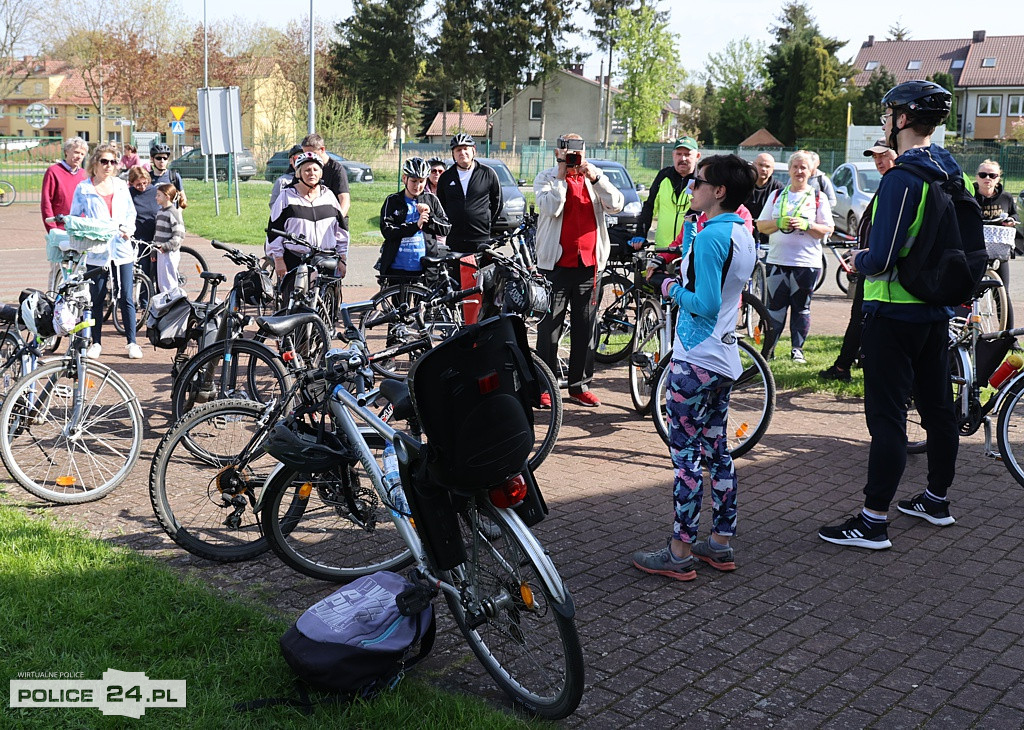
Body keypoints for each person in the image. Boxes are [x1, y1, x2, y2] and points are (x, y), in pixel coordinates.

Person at [819, 80, 961, 550]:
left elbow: (878, 260)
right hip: (934, 311)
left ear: (901, 119)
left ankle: (873, 520)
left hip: (891, 313)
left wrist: (855, 261)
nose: (884, 122)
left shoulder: (903, 177)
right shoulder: (948, 170)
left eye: (887, 114)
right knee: (939, 410)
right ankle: (936, 499)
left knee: (887, 418)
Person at [631, 154, 758, 581]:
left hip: (695, 359)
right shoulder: (741, 231)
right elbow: (721, 294)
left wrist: (665, 284)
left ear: (719, 191)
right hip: (723, 357)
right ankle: (720, 543)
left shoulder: (711, 238)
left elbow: (702, 303)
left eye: (698, 182)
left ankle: (679, 550)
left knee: (686, 460)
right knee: (718, 453)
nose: (692, 187)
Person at [534, 133, 623, 408]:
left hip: (589, 266)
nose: (571, 156)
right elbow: (551, 207)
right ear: (557, 152)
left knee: (586, 328)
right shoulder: (546, 178)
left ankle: (579, 385)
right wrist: (562, 176)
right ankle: (544, 385)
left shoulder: (593, 177)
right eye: (566, 150)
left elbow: (616, 203)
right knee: (549, 328)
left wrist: (593, 175)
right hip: (555, 266)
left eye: (576, 150)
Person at [819, 140, 897, 382]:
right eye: (875, 157)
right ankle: (846, 365)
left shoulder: (898, 184)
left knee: (863, 319)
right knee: (860, 318)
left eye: (883, 155)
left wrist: (865, 255)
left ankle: (847, 366)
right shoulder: (888, 183)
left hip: (879, 267)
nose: (879, 161)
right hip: (869, 262)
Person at [755, 150, 834, 362]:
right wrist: (778, 223)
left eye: (804, 168)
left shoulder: (818, 197)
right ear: (789, 170)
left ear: (811, 171)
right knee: (775, 308)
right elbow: (761, 226)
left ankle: (797, 349)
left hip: (806, 263)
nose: (799, 171)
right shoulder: (777, 195)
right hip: (777, 261)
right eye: (795, 167)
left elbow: (827, 229)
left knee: (801, 307)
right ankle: (769, 350)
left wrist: (808, 225)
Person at [70, 142, 141, 360]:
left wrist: (128, 229)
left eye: (112, 162)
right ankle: (96, 342)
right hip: (97, 250)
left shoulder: (120, 186)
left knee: (127, 296)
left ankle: (132, 342)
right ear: (95, 163)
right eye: (104, 161)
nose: (108, 166)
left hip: (121, 248)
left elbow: (131, 213)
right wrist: (88, 231)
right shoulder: (84, 188)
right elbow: (74, 218)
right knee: (96, 298)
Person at [267, 152, 348, 289]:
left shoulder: (329, 196)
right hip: (295, 260)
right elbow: (274, 231)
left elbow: (341, 231)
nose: (312, 173)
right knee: (294, 305)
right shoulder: (286, 197)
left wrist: (343, 258)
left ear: (321, 173)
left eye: (316, 170)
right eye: (307, 170)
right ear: (298, 173)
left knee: (328, 307)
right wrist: (279, 259)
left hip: (326, 259)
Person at [377, 157, 451, 280]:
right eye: (414, 181)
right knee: (399, 299)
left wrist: (430, 216)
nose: (417, 186)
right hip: (397, 267)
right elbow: (387, 231)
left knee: (424, 299)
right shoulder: (392, 200)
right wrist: (415, 225)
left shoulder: (431, 200)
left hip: (425, 267)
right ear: (404, 178)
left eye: (422, 181)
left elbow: (446, 228)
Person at [436, 133, 502, 255]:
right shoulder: (445, 177)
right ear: (453, 154)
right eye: (458, 150)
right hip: (455, 238)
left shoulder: (488, 173)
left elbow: (497, 203)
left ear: (473, 150)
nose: (462, 152)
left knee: (481, 273)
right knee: (456, 273)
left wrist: (486, 223)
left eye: (466, 148)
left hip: (480, 238)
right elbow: (441, 205)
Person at [974, 158, 1020, 326]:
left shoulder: (1006, 197)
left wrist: (1010, 220)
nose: (988, 178)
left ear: (998, 178)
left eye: (992, 175)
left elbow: (1014, 215)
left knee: (1002, 291)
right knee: (966, 290)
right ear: (977, 177)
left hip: (998, 250)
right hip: (975, 248)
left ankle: (1009, 336)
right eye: (983, 174)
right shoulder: (969, 195)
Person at [632, 136, 699, 249]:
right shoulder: (663, 176)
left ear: (697, 156)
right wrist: (640, 233)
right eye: (679, 154)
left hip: (690, 249)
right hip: (663, 248)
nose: (683, 158)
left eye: (687, 154)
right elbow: (650, 206)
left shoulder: (702, 179)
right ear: (673, 155)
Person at [41, 137, 89, 290]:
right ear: (66, 151)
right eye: (75, 152)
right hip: (60, 229)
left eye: (82, 154)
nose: (78, 156)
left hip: (80, 230)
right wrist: (52, 228)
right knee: (58, 268)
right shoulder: (53, 171)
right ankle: (52, 298)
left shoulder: (84, 174)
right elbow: (46, 201)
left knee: (80, 270)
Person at [127, 165, 161, 305]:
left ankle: (161, 300)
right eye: (138, 184)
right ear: (132, 183)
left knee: (159, 271)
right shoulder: (129, 193)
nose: (142, 187)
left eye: (144, 183)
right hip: (139, 236)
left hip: (156, 234)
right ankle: (144, 301)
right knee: (144, 268)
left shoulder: (155, 191)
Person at [299, 133, 350, 218]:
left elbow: (344, 199)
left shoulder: (336, 169)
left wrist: (338, 221)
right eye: (305, 154)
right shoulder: (303, 168)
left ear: (322, 149)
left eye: (311, 154)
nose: (308, 157)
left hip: (332, 217)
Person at [153, 183, 187, 294]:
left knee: (170, 282)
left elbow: (179, 235)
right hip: (160, 251)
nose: (156, 198)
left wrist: (167, 246)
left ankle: (173, 305)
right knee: (162, 282)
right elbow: (157, 234)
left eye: (159, 195)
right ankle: (166, 305)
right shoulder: (160, 212)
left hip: (169, 252)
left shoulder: (173, 212)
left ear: (167, 197)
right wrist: (154, 251)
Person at [745, 153, 783, 246]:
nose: (763, 169)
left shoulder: (779, 189)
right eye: (760, 165)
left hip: (769, 237)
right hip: (745, 233)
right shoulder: (743, 184)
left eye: (767, 166)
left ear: (772, 170)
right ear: (753, 165)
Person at [147, 142, 186, 207]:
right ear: (152, 159)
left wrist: (178, 212)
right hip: (154, 215)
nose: (162, 161)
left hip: (170, 214)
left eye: (165, 158)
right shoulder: (148, 177)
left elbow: (183, 197)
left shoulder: (174, 176)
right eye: (158, 158)